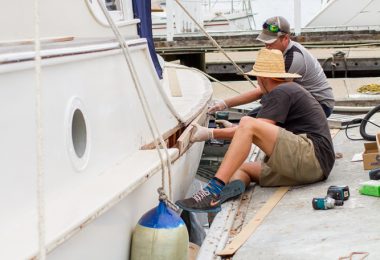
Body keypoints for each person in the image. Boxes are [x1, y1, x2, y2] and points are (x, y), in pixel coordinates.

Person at [175, 48, 335, 213]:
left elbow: (252, 128)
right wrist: (236, 128)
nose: (257, 82)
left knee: (247, 122)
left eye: (257, 78)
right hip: (317, 167)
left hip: (311, 157)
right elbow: (256, 129)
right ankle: (225, 194)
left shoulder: (282, 91)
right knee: (240, 168)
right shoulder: (287, 88)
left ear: (263, 78)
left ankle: (211, 192)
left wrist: (209, 133)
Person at [209, 16, 335, 118]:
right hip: (301, 99)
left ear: (285, 38)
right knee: (251, 117)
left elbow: (271, 92)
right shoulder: (279, 54)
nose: (266, 46)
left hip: (321, 105)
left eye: (271, 42)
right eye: (265, 41)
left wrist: (225, 103)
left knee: (256, 121)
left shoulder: (293, 59)